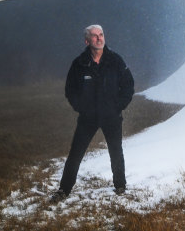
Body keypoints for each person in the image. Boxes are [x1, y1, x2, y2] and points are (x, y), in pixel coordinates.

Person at [51, 24, 134, 202]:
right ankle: (63, 190)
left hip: (111, 115)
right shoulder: (79, 63)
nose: (99, 38)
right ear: (87, 40)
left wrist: (118, 106)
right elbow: (70, 90)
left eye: (101, 34)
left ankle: (120, 186)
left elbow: (128, 85)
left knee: (116, 151)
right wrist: (81, 108)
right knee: (75, 153)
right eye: (94, 36)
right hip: (88, 117)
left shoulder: (115, 60)